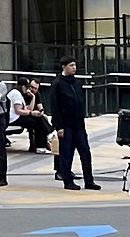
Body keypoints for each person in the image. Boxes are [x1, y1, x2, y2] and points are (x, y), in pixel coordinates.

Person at [49, 55, 100, 190]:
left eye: (75, 65)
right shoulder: (57, 84)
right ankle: (68, 181)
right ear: (64, 67)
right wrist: (59, 126)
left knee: (85, 152)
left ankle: (89, 180)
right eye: (71, 65)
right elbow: (55, 106)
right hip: (66, 124)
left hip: (78, 124)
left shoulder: (76, 82)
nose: (74, 68)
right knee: (67, 153)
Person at [9, 78, 54, 153]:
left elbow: (36, 107)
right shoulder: (17, 94)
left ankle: (42, 143)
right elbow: (19, 111)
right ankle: (45, 138)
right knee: (37, 122)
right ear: (23, 87)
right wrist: (31, 111)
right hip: (15, 118)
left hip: (20, 116)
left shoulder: (33, 94)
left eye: (35, 88)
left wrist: (40, 112)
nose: (32, 89)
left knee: (39, 118)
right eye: (30, 87)